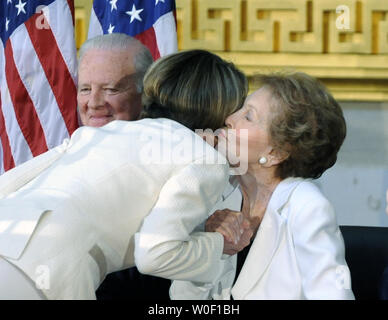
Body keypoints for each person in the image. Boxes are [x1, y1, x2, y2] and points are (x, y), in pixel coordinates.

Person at [0, 49, 248, 300]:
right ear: (223, 112)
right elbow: (154, 255)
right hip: (45, 273)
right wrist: (218, 244)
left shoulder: (96, 133)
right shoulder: (205, 159)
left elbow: (6, 185)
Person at [170, 72, 355, 300]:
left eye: (248, 116)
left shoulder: (308, 207)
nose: (229, 118)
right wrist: (210, 246)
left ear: (276, 152)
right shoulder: (218, 194)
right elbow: (181, 300)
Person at [77, 33, 153, 127]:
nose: (94, 104)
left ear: (145, 93)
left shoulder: (169, 138)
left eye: (110, 89)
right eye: (85, 89)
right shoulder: (73, 141)